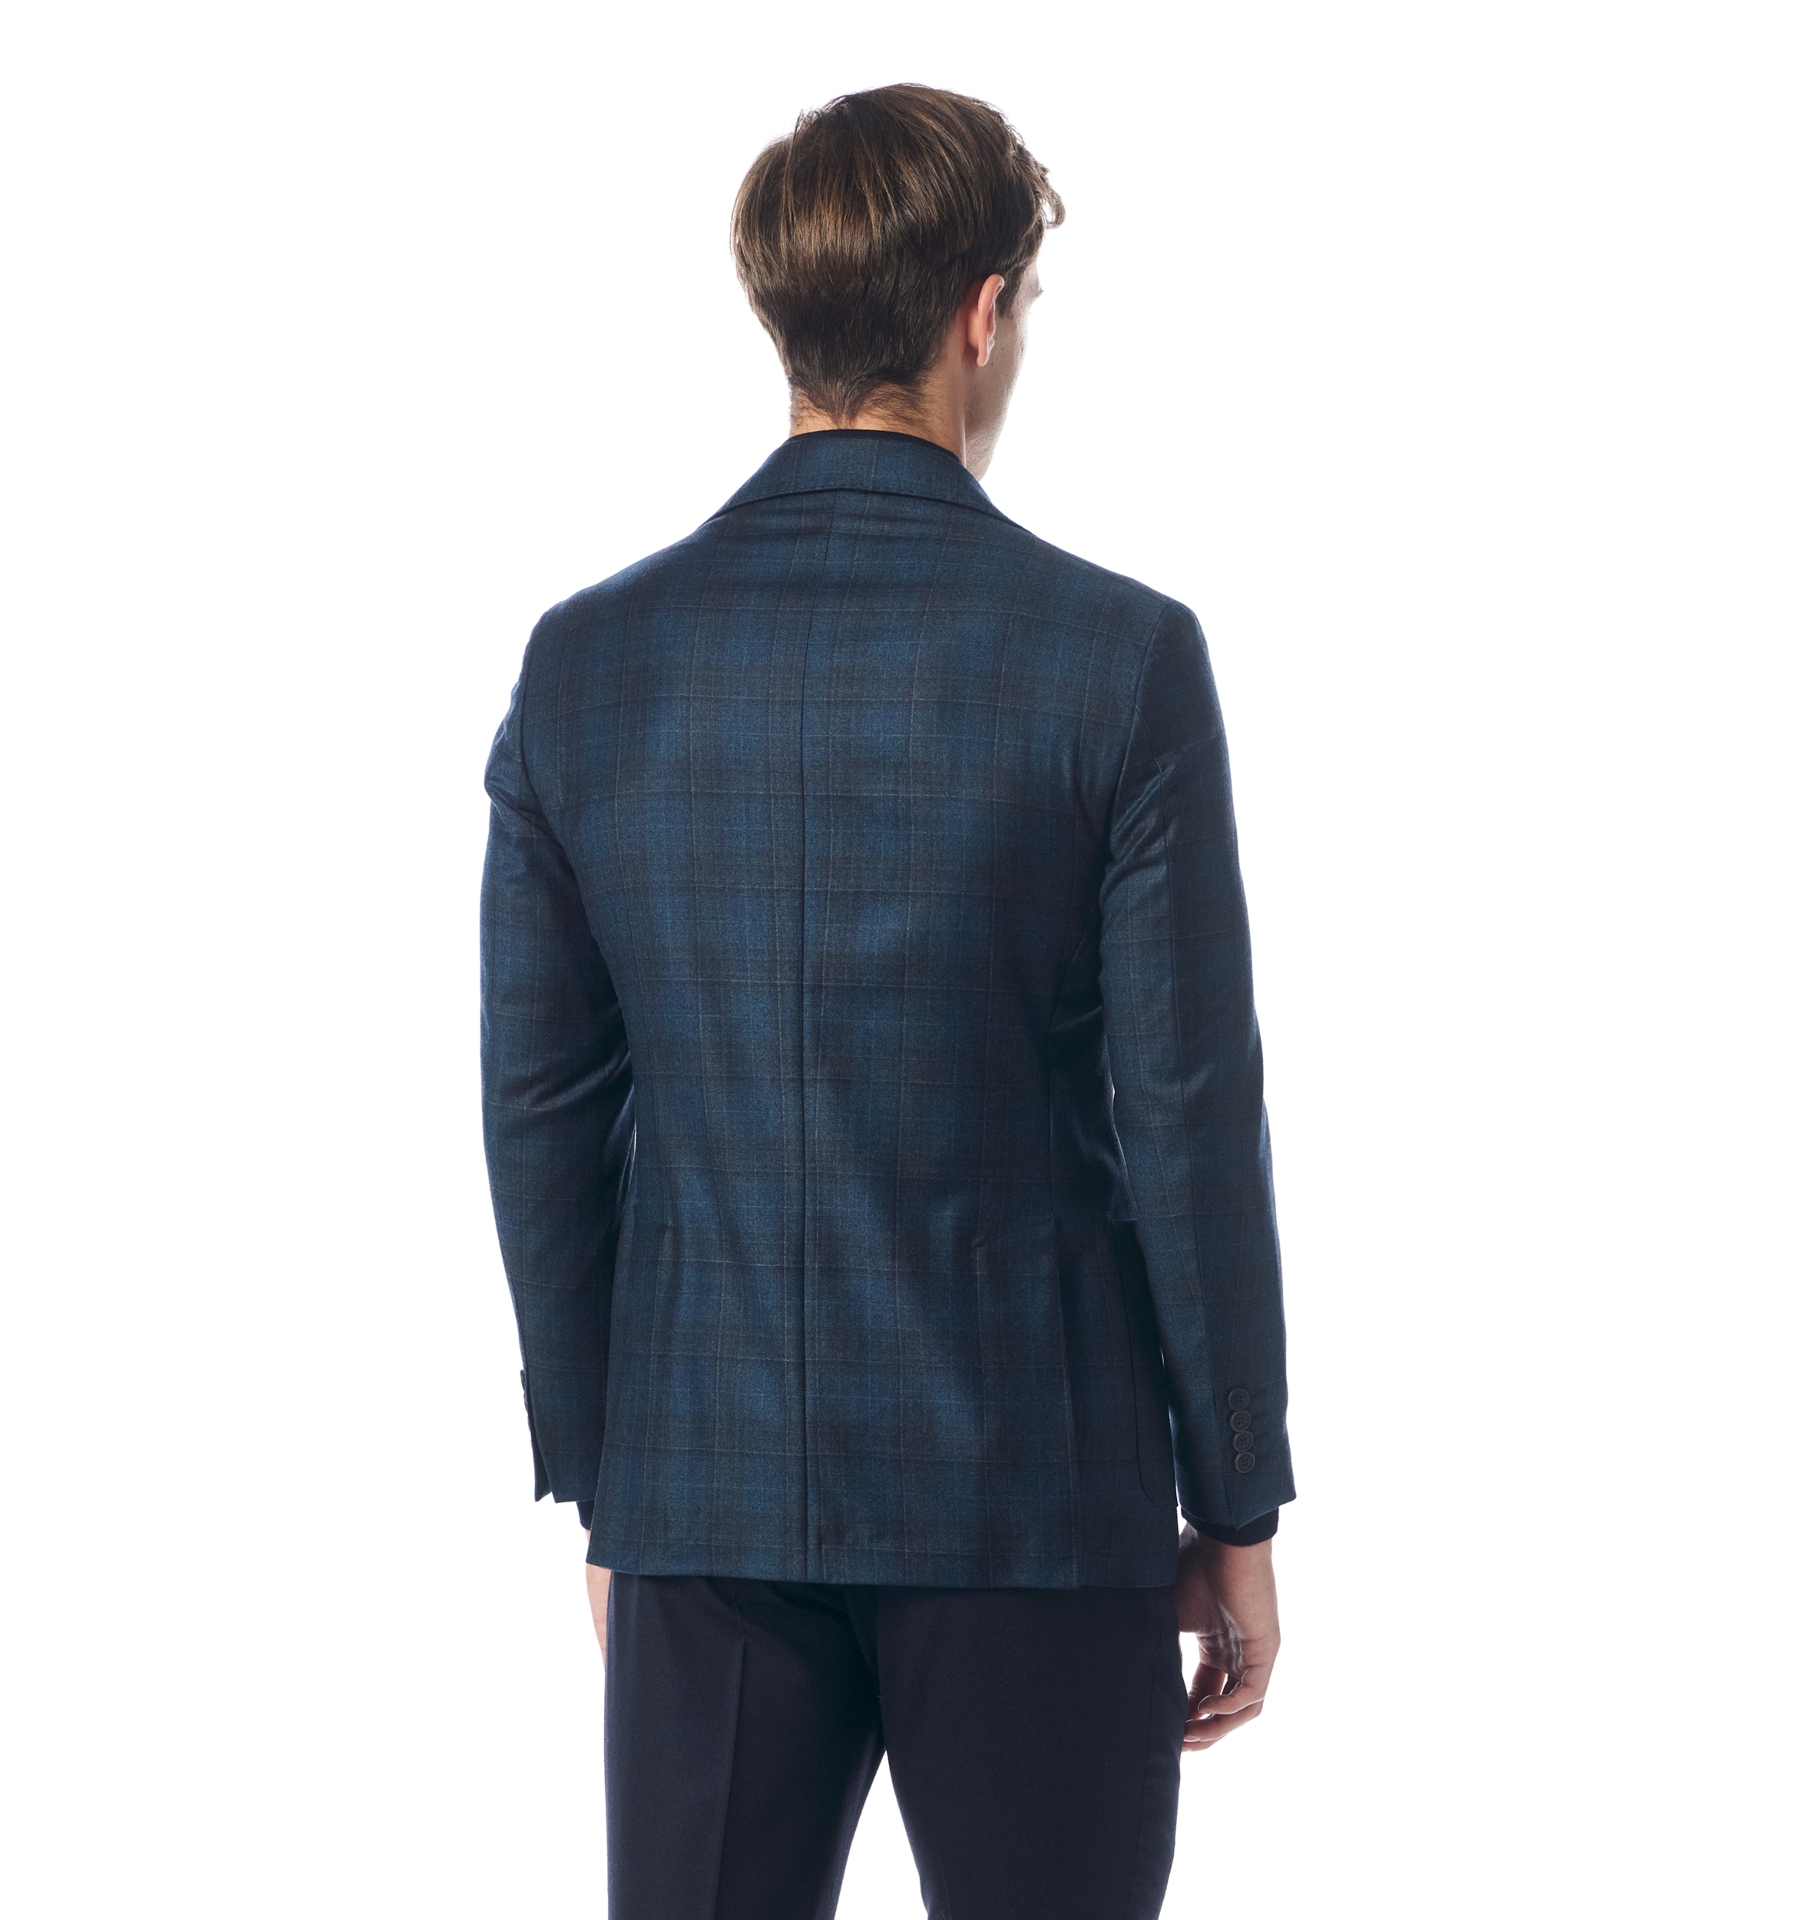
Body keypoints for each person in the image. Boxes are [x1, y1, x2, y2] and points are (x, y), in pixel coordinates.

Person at [480, 82, 1293, 1920]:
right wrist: (1236, 1505)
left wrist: (612, 1488)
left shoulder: (589, 665)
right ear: (982, 313)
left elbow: (540, 1110)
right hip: (1037, 1502)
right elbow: (1189, 1114)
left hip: (701, 1501)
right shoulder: (1116, 660)